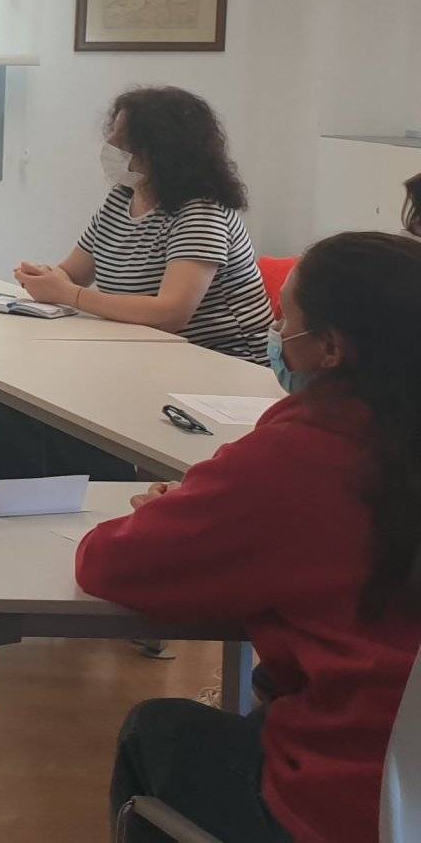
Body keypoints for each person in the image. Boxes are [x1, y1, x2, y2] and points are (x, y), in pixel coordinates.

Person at [80, 231, 421, 843]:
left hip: (350, 800)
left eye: (285, 317)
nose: (274, 329)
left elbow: (113, 564)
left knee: (157, 731)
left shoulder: (302, 457)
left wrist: (182, 510)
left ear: (331, 349)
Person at [3, 86, 273, 480]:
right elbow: (73, 271)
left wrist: (70, 295)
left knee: (72, 401)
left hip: (216, 368)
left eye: (122, 140)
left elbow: (171, 314)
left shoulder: (201, 212)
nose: (110, 146)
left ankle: (102, 501)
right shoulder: (121, 198)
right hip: (142, 354)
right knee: (19, 395)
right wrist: (47, 279)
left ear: (160, 149)